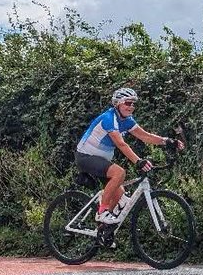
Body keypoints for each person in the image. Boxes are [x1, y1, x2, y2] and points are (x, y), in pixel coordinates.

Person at [75, 87, 184, 230]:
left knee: (120, 195)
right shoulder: (109, 119)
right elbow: (121, 144)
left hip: (101, 160)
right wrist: (138, 161)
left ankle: (103, 231)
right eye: (127, 103)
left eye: (133, 103)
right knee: (119, 173)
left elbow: (145, 136)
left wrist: (168, 141)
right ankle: (102, 212)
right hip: (86, 156)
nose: (131, 106)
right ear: (118, 103)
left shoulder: (126, 120)